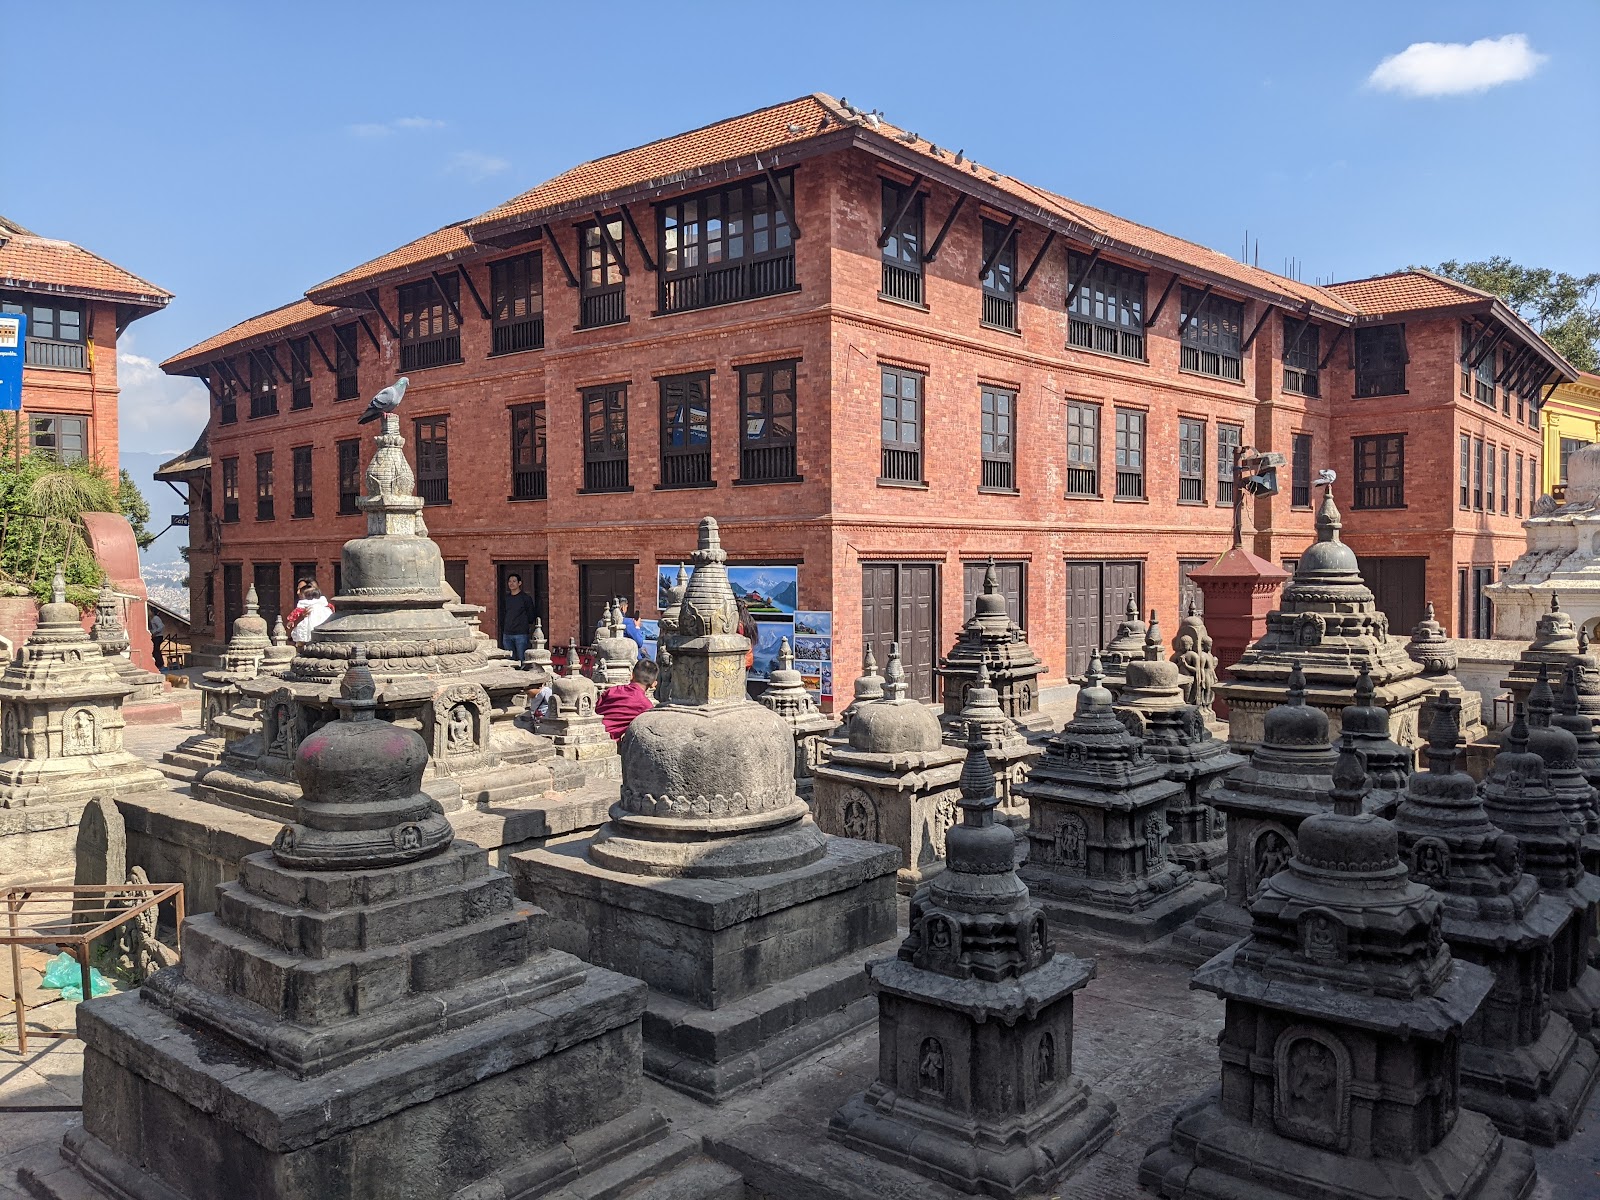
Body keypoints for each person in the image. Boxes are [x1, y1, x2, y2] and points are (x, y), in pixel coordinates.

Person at [596, 659, 658, 741]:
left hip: (593, 732)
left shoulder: (612, 690)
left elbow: (596, 710)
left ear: (631, 675)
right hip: (611, 743)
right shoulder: (646, 706)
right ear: (654, 684)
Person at [501, 574, 537, 666]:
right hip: (507, 633)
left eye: (514, 581)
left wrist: (526, 625)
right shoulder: (506, 598)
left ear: (519, 583)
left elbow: (531, 615)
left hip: (521, 633)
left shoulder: (525, 598)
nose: (511, 583)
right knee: (510, 660)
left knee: (522, 659)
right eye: (509, 581)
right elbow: (503, 613)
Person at [147, 608, 166, 672]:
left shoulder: (156, 618)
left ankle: (160, 664)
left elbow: (161, 626)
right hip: (154, 636)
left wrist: (155, 632)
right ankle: (157, 664)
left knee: (156, 650)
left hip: (158, 636)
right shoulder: (151, 619)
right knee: (155, 651)